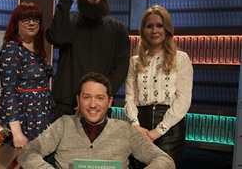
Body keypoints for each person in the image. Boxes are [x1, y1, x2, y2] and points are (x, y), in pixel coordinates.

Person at [17, 72, 175, 169]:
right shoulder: (63, 125)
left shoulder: (124, 130)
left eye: (100, 98)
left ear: (109, 102)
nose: (93, 105)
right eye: (87, 97)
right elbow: (27, 153)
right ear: (78, 100)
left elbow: (165, 160)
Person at [46, 0, 130, 120]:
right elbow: (56, 37)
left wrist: (96, 98)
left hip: (99, 107)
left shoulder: (118, 29)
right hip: (67, 105)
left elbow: (121, 69)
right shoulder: (69, 22)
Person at [124, 5, 193, 163]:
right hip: (141, 124)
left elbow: (183, 100)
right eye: (149, 26)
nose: (154, 31)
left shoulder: (181, 58)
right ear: (143, 30)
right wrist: (136, 126)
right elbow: (130, 97)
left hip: (170, 128)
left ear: (167, 28)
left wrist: (159, 131)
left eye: (159, 25)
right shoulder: (134, 62)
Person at [0, 2, 54, 148]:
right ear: (16, 23)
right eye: (25, 19)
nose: (31, 23)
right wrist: (17, 133)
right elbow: (9, 91)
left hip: (40, 114)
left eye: (35, 19)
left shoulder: (38, 50)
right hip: (23, 118)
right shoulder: (12, 49)